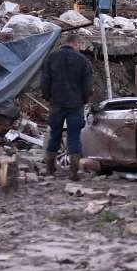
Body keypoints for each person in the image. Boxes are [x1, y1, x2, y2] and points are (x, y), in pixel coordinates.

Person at [40, 34, 94, 179]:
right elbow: (88, 86)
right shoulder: (82, 60)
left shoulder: (51, 58)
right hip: (75, 104)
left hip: (56, 103)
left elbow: (44, 82)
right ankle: (74, 171)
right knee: (74, 137)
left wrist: (48, 97)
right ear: (76, 44)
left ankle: (50, 168)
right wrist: (84, 99)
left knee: (54, 135)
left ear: (66, 43)